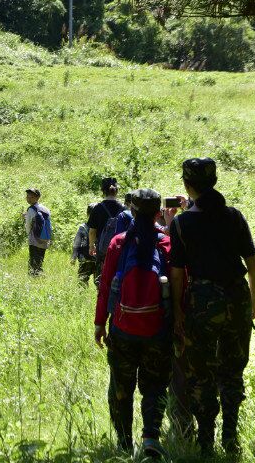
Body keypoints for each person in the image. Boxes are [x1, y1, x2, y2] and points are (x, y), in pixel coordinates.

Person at [169, 158, 255, 456]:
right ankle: (231, 437)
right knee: (232, 371)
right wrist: (253, 301)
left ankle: (206, 440)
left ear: (187, 185)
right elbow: (253, 266)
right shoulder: (234, 216)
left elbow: (179, 273)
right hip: (236, 298)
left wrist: (180, 312)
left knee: (201, 373)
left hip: (202, 304)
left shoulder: (182, 223)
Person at [95, 189, 173, 458]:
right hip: (158, 330)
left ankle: (125, 444)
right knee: (155, 386)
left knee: (120, 387)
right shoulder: (165, 243)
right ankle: (151, 437)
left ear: (132, 211)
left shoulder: (119, 242)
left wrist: (99, 324)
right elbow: (178, 287)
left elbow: (105, 287)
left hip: (122, 328)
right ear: (157, 213)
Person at [89, 178, 128, 277]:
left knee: (101, 276)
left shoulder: (97, 208)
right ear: (117, 191)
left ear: (103, 191)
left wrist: (91, 246)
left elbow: (92, 231)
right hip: (119, 248)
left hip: (102, 248)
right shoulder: (124, 208)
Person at [24, 188, 52, 275]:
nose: (28, 198)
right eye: (28, 196)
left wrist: (29, 234)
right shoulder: (45, 209)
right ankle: (39, 274)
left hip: (34, 239)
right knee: (40, 258)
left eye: (31, 197)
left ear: (37, 198)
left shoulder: (31, 209)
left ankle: (34, 276)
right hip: (45, 238)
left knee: (33, 259)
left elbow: (28, 225)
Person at [72, 205, 95, 284]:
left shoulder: (83, 227)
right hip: (97, 258)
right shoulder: (101, 227)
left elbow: (76, 243)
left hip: (84, 258)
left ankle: (82, 295)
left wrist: (73, 257)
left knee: (82, 280)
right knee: (99, 281)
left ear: (87, 214)